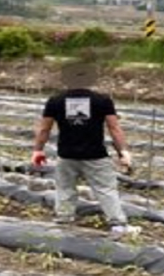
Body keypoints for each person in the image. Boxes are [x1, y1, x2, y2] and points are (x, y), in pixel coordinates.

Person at [31, 63, 138, 235]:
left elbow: (45, 129)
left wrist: (38, 150)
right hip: (95, 155)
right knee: (106, 190)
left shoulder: (55, 100)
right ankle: (118, 225)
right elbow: (114, 127)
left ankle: (63, 221)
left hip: (66, 155)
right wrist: (123, 152)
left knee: (65, 189)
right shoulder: (102, 100)